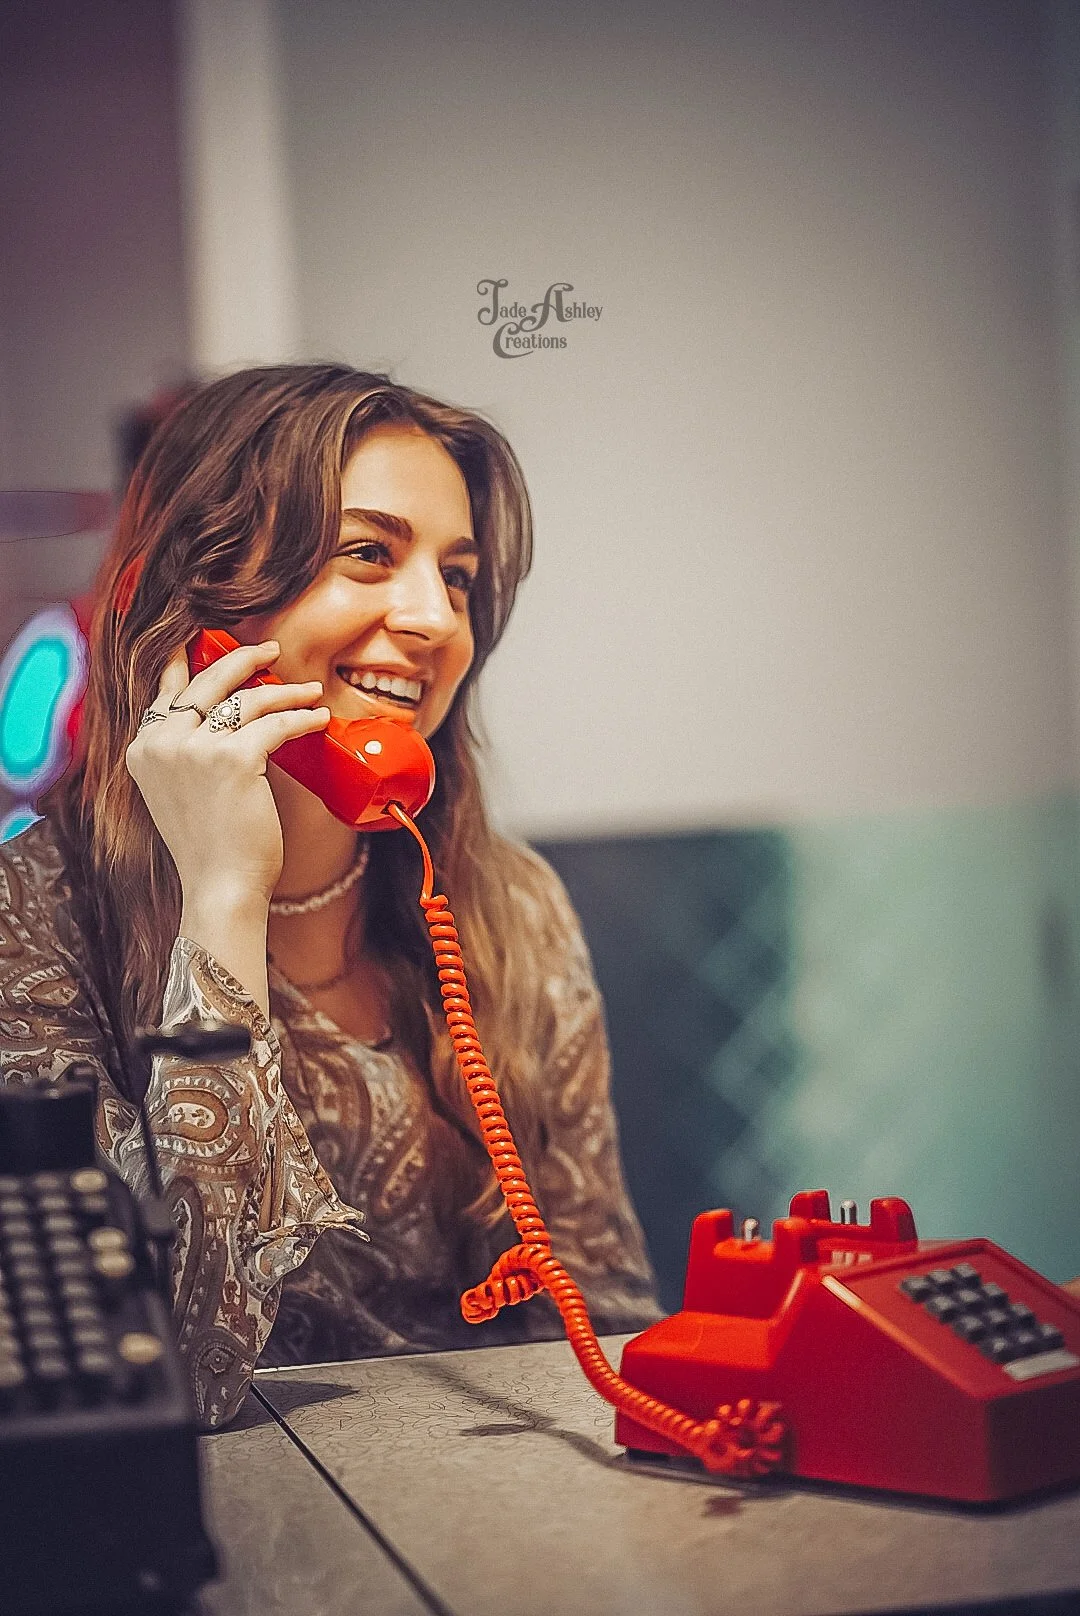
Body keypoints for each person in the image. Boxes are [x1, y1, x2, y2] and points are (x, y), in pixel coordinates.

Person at [0, 364, 660, 1428]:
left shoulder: (513, 904)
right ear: (198, 599)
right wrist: (223, 896)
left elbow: (611, 1312)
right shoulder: (28, 921)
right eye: (369, 553)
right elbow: (184, 1373)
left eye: (457, 574)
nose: (437, 618)